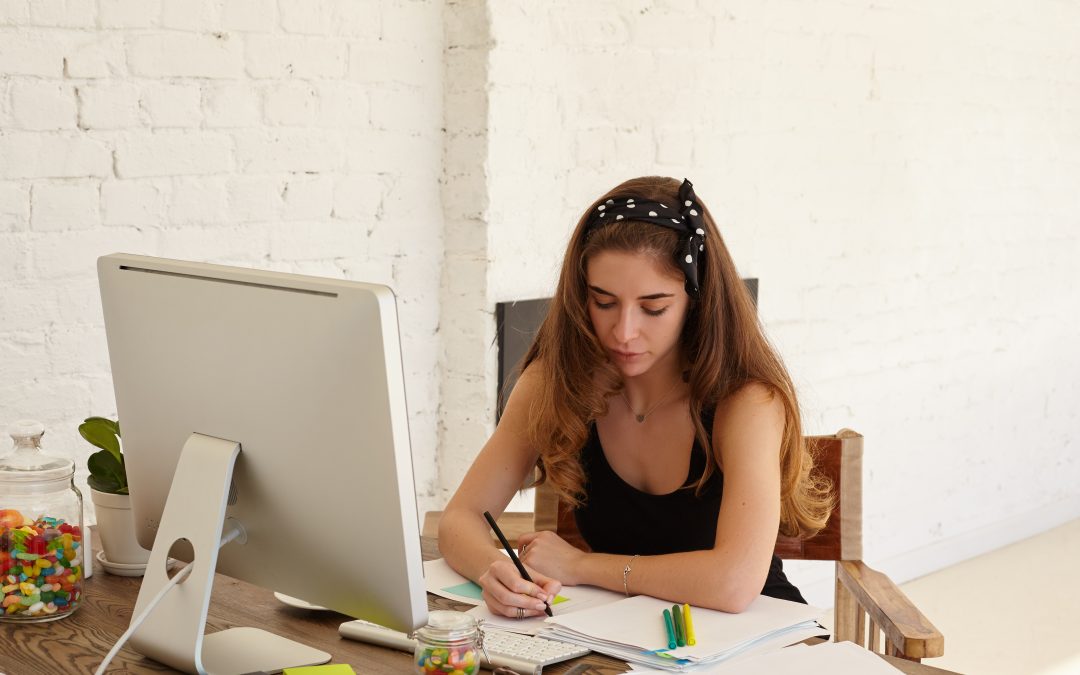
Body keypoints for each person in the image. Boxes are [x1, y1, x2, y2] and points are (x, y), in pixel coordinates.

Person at [438, 176, 833, 619]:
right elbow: (459, 521)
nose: (624, 332)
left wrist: (582, 566)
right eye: (603, 302)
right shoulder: (555, 383)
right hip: (629, 639)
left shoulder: (746, 402)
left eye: (654, 307)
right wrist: (496, 570)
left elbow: (734, 583)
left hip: (756, 638)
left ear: (696, 299)